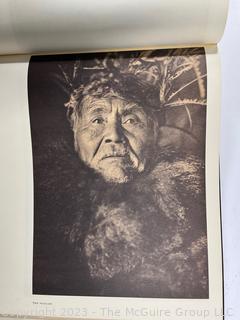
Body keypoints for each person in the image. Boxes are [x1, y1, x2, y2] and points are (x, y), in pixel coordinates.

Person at [32, 49, 208, 298]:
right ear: (74, 134)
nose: (114, 135)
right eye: (97, 120)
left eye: (131, 120)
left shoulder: (194, 219)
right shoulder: (39, 218)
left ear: (155, 133)